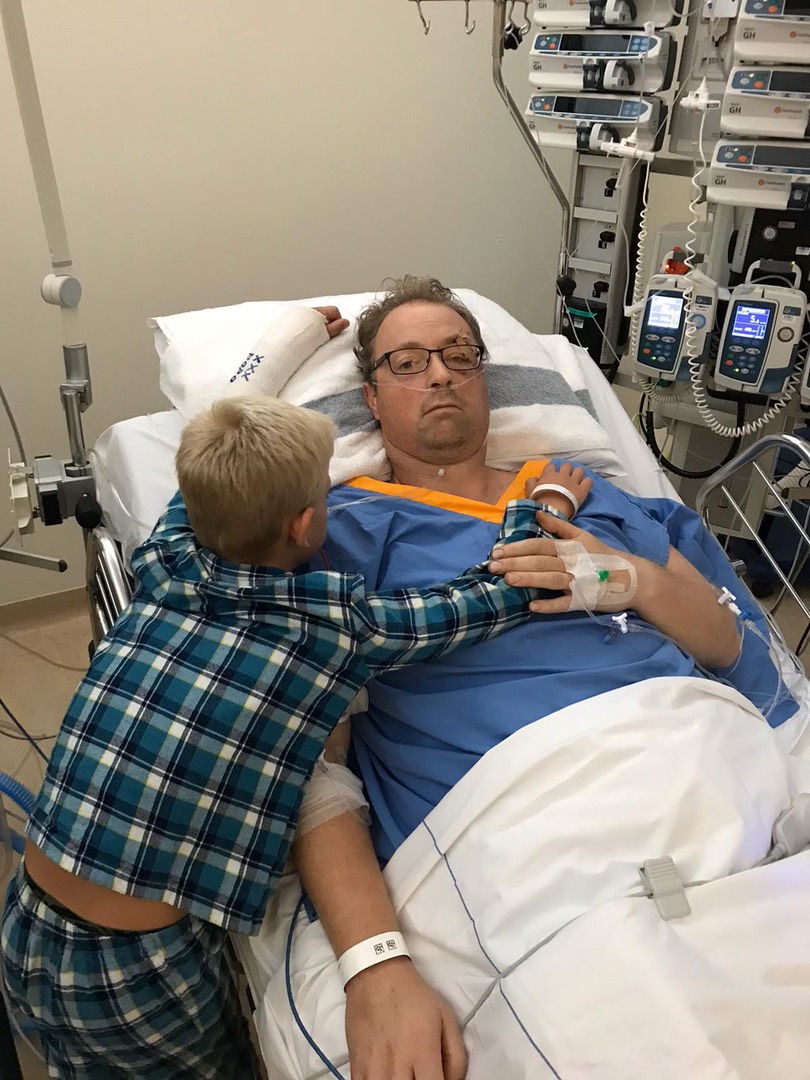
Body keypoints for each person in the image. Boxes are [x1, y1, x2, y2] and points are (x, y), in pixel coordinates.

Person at [289, 276, 798, 1080]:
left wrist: (620, 577)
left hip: (700, 759)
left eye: (459, 355)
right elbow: (313, 767)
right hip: (526, 820)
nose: (440, 374)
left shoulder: (592, 498)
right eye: (408, 362)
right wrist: (375, 963)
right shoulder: (340, 535)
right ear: (372, 399)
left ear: (484, 377)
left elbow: (727, 643)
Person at [1, 357, 565, 1080]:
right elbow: (491, 596)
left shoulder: (167, 559)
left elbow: (206, 477)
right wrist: (536, 501)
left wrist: (294, 344)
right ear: (305, 524)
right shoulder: (332, 626)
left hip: (29, 913)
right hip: (136, 970)